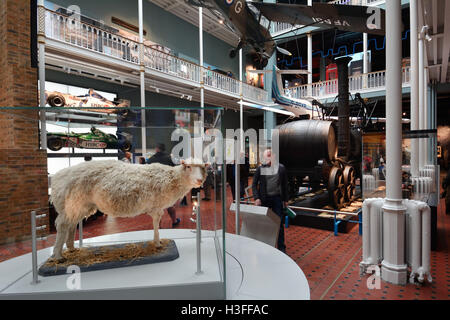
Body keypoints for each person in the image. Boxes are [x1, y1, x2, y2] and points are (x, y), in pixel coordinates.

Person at [252, 149, 289, 253]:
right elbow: (254, 184)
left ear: (273, 156)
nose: (267, 158)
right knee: (264, 224)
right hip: (264, 200)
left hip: (277, 199)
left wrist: (286, 199)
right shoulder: (260, 169)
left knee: (279, 224)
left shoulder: (281, 168)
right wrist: (256, 198)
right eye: (265, 156)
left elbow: (285, 185)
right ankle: (265, 246)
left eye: (268, 155)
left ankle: (281, 248)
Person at [147, 143, 181, 227]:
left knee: (157, 207)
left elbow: (147, 174)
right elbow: (176, 172)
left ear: (157, 149)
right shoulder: (170, 159)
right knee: (170, 205)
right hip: (167, 186)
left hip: (155, 187)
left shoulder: (150, 160)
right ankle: (174, 221)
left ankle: (159, 225)